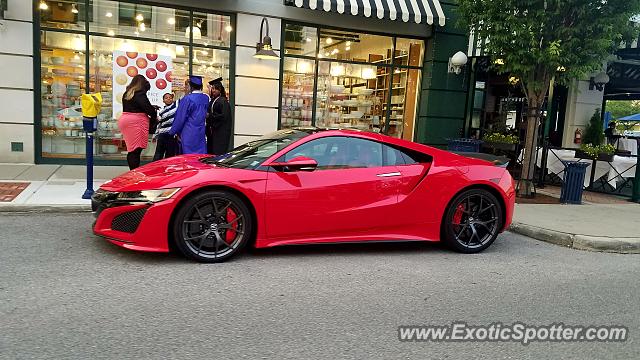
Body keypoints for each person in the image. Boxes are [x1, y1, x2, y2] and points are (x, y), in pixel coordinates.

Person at [118, 74, 157, 170]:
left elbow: (135, 106)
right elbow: (149, 110)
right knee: (135, 151)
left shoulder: (127, 93)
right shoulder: (140, 93)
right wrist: (154, 113)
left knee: (132, 149)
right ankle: (134, 174)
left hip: (125, 120)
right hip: (136, 122)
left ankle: (132, 172)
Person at [169, 76, 209, 154]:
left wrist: (173, 131)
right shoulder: (205, 98)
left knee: (188, 155)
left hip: (188, 131)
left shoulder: (187, 99)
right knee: (199, 156)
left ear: (190, 86)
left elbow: (180, 118)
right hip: (200, 131)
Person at [206, 77, 232, 155]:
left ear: (220, 89)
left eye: (215, 89)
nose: (213, 90)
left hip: (221, 132)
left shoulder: (223, 101)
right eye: (212, 88)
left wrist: (210, 116)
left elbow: (223, 116)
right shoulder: (214, 100)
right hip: (213, 131)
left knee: (218, 151)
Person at [152, 93, 178, 161]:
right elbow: (159, 125)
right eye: (166, 98)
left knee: (170, 154)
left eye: (170, 97)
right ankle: (156, 168)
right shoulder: (161, 112)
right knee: (158, 153)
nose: (168, 99)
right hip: (162, 134)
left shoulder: (175, 107)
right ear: (163, 100)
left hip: (171, 134)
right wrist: (155, 135)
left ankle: (168, 169)